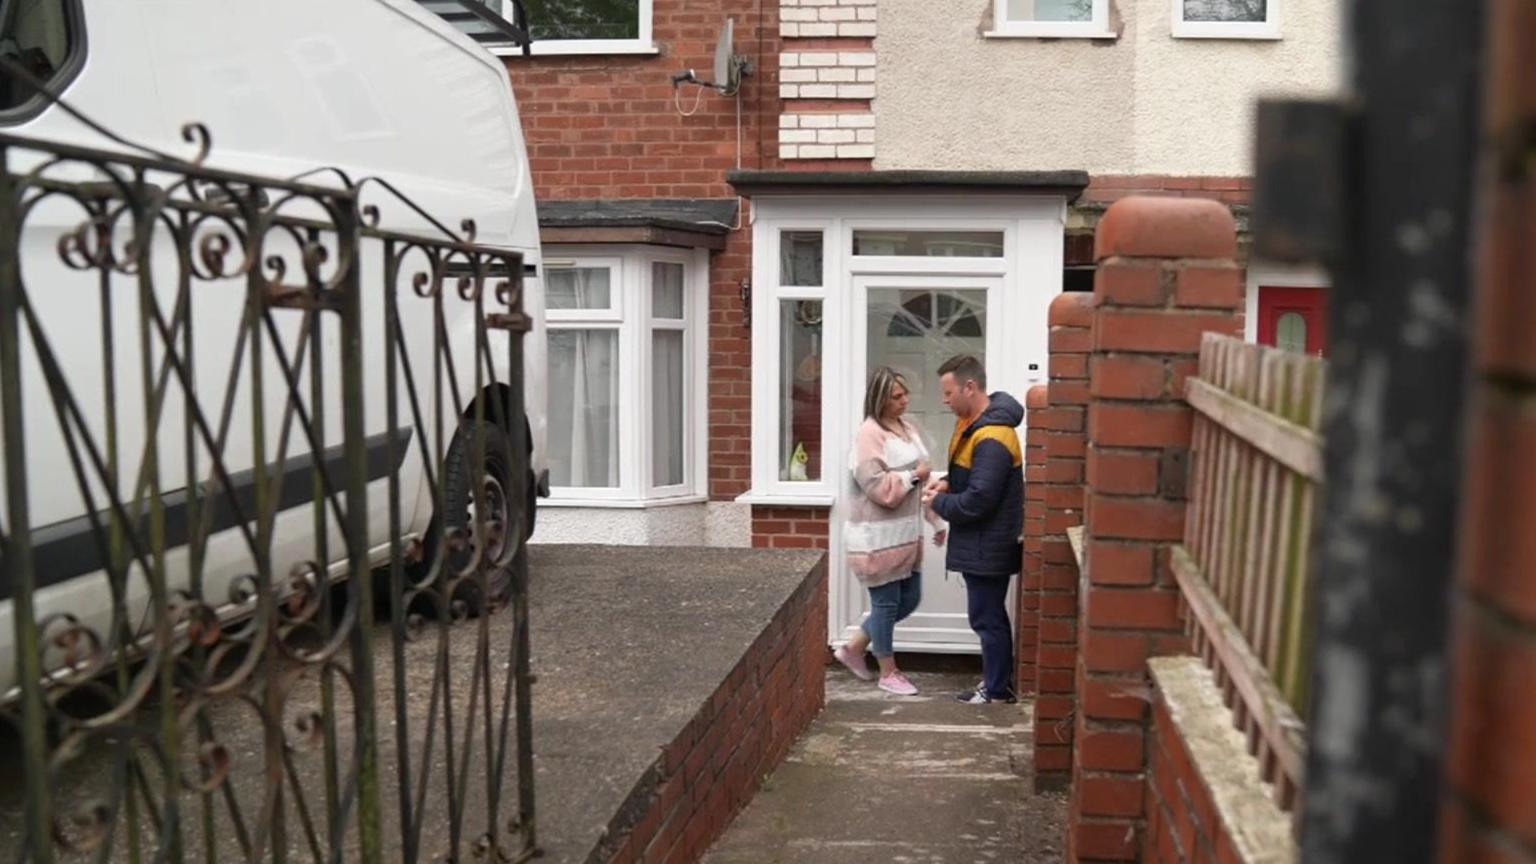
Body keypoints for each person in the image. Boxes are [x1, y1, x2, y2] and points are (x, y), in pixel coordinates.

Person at [922, 354, 1025, 705]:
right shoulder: (976, 424)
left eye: (949, 392)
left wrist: (937, 503)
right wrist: (949, 484)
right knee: (987, 616)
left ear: (970, 387)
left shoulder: (993, 435)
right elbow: (974, 479)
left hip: (988, 543)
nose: (945, 399)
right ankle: (995, 685)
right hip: (983, 542)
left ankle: (998, 692)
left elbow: (980, 500)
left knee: (987, 618)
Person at [833, 367, 938, 696]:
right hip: (875, 537)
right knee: (886, 605)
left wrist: (936, 518)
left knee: (909, 599)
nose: (905, 400)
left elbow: (924, 473)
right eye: (897, 396)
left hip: (905, 535)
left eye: (906, 393)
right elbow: (876, 486)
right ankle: (888, 671)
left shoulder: (907, 428)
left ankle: (853, 647)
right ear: (879, 399)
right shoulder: (869, 433)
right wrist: (913, 477)